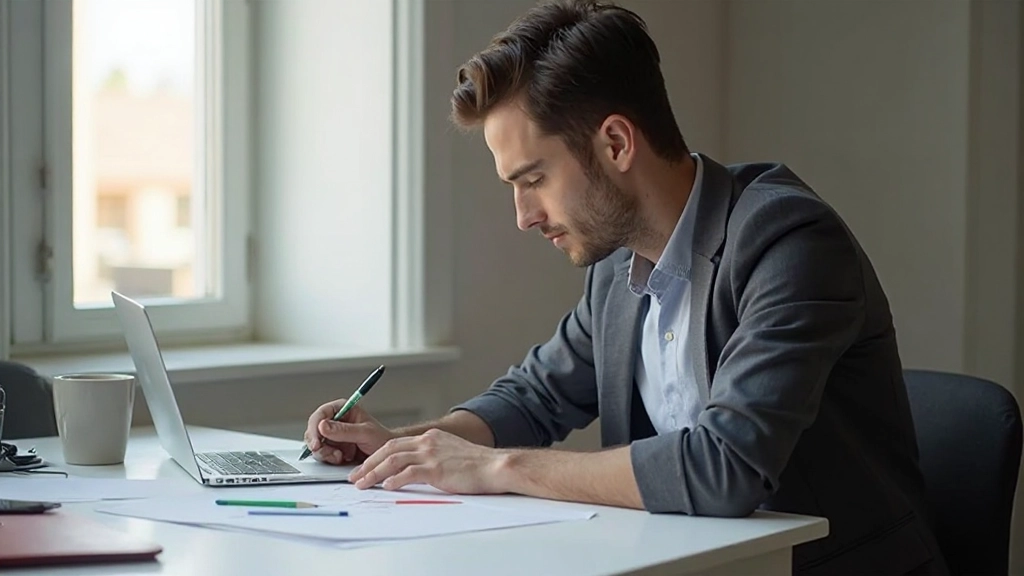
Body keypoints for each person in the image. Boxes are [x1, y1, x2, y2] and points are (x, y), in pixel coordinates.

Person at [303, 1, 948, 574]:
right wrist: (410, 448)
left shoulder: (790, 242)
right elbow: (534, 396)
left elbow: (727, 467)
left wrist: (499, 469)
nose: (524, 216)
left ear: (615, 143)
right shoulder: (617, 266)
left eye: (533, 179)